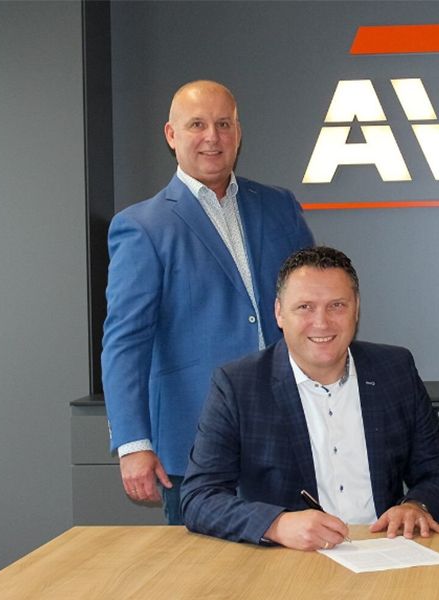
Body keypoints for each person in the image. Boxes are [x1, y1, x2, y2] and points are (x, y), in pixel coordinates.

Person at [101, 80, 314, 524]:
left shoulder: (279, 206)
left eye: (224, 124)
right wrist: (134, 444)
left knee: (297, 559)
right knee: (202, 566)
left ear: (239, 132)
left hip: (289, 435)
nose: (212, 137)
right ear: (171, 134)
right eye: (197, 124)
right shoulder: (141, 227)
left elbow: (313, 304)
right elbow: (125, 341)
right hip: (196, 444)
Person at [181, 246, 439, 549]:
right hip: (287, 558)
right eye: (305, 307)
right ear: (279, 312)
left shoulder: (395, 370)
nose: (322, 322)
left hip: (385, 548)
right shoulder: (238, 385)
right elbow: (199, 497)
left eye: (337, 305)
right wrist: (276, 525)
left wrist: (416, 506)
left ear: (356, 309)